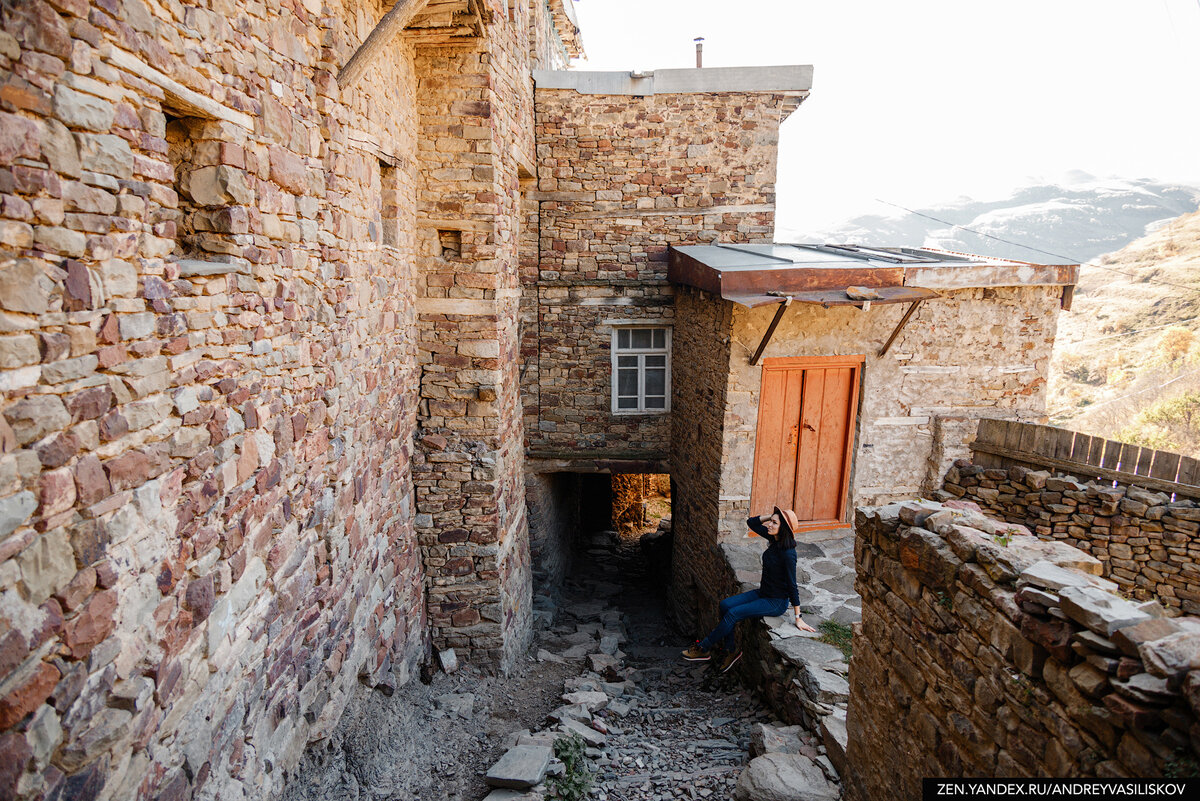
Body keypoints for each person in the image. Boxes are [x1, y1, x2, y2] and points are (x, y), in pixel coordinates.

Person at [682, 507, 816, 673]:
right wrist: (773, 515)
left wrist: (798, 616)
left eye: (774, 523)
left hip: (775, 602)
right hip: (763, 593)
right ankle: (730, 650)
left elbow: (792, 585)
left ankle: (704, 648)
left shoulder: (788, 554)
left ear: (784, 528)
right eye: (771, 521)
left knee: (733, 613)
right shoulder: (774, 539)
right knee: (725, 605)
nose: (769, 524)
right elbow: (751, 522)